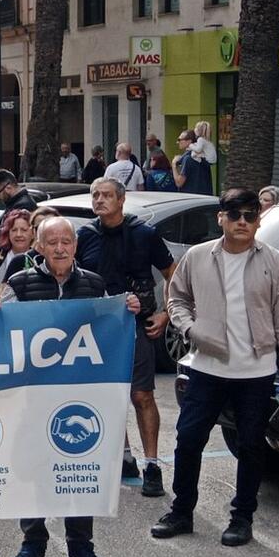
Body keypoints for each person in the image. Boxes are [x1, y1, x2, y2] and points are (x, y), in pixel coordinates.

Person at [155, 188, 279, 548]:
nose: (243, 221)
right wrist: (190, 328)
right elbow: (176, 298)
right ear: (220, 217)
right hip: (207, 368)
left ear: (258, 220)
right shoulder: (197, 257)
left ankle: (242, 518)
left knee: (251, 445)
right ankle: (182, 511)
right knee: (189, 440)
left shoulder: (274, 262)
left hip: (255, 372)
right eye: (235, 214)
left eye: (251, 215)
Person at [0, 218, 139, 557]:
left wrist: (127, 307)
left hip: (79, 397)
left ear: (75, 246)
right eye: (52, 242)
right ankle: (33, 543)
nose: (60, 248)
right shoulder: (19, 284)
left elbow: (110, 324)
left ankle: (80, 546)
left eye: (66, 242)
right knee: (34, 470)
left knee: (79, 469)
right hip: (33, 396)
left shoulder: (93, 283)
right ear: (39, 247)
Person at [73, 176, 176, 497]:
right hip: (96, 331)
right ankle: (125, 458)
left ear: (121, 200)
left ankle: (153, 465)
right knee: (107, 397)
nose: (99, 200)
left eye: (106, 195)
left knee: (141, 396)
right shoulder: (84, 236)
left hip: (136, 326)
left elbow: (174, 275)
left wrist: (166, 314)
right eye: (95, 195)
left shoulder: (145, 234)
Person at [0, 209, 37, 300]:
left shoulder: (38, 259)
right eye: (14, 230)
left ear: (33, 233)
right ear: (8, 233)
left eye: (24, 230)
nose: (18, 234)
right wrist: (7, 292)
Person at [171, 130, 214, 195]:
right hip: (205, 199)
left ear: (189, 141)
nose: (177, 142)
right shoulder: (202, 157)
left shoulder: (188, 159)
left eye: (179, 139)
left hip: (191, 199)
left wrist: (173, 164)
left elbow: (179, 183)